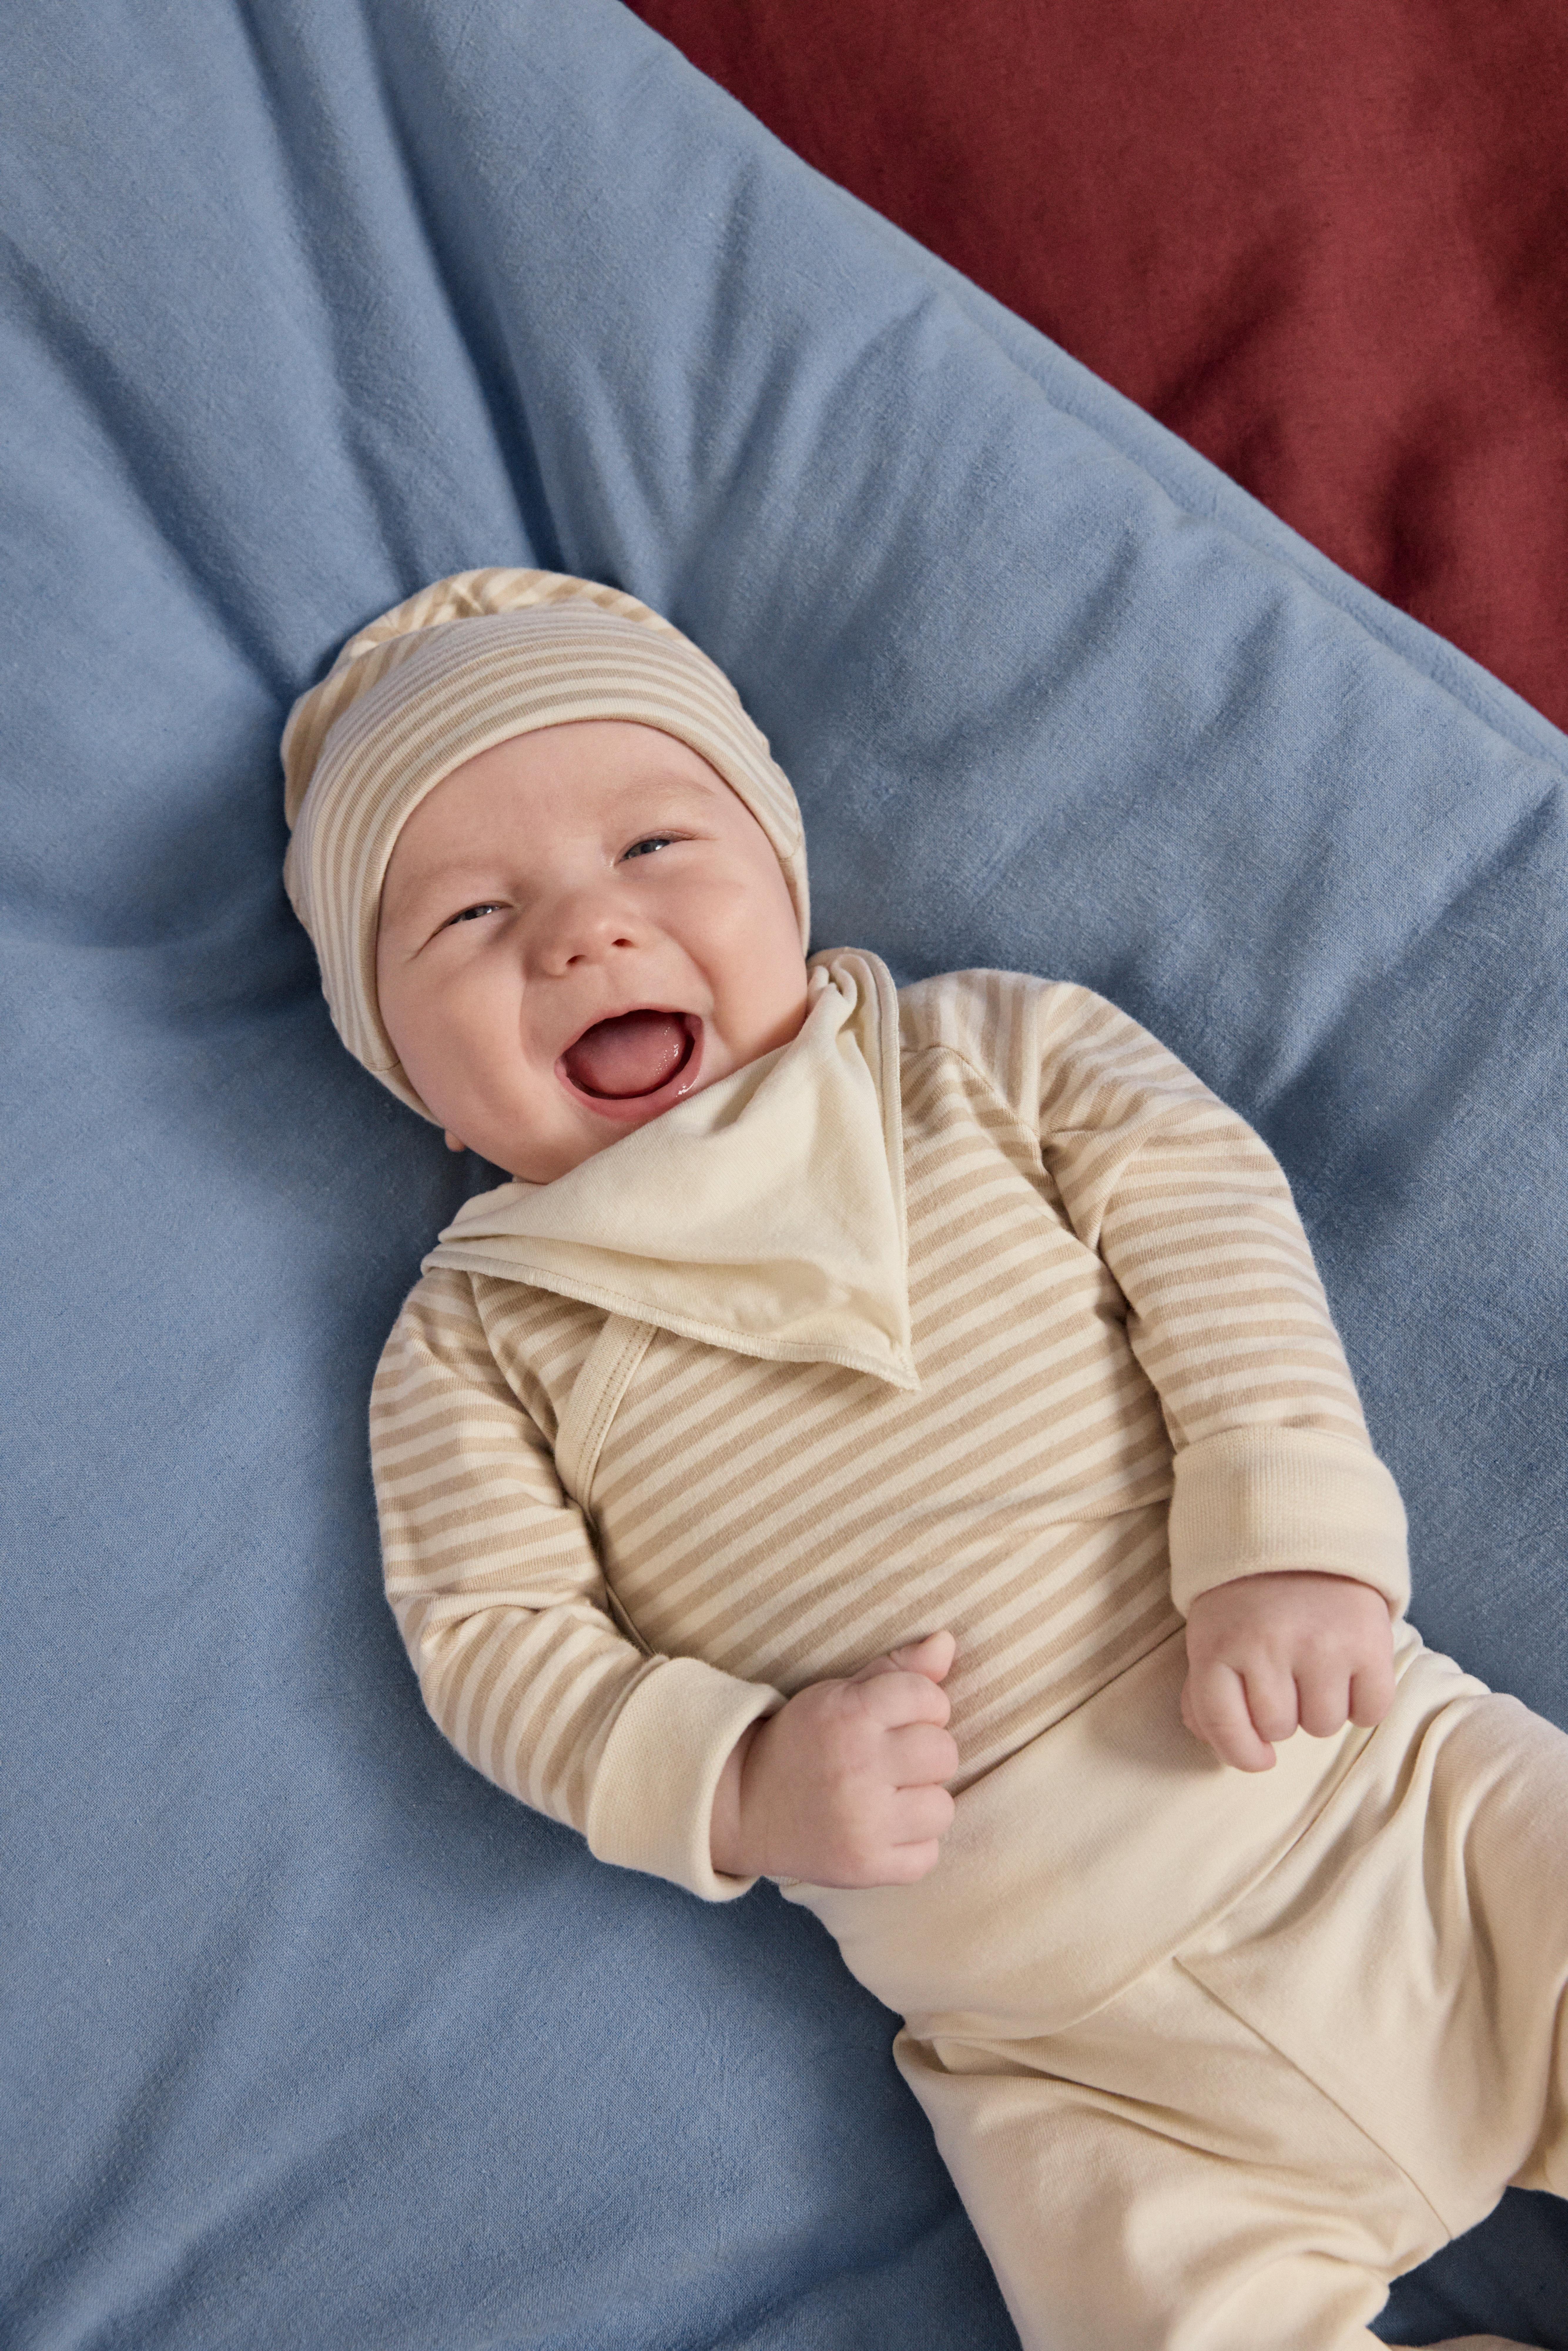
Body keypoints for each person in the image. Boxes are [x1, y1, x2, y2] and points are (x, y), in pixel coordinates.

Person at [282, 564, 1567, 2351]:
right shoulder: (475, 1343)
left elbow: (1206, 1220)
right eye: (471, 918)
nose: (583, 934)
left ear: (787, 882)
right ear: (404, 1072)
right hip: (1064, 2056)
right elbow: (490, 1640)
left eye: (654, 850)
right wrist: (732, 1780)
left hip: (1379, 1802)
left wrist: (1283, 1536)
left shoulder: (988, 1055)